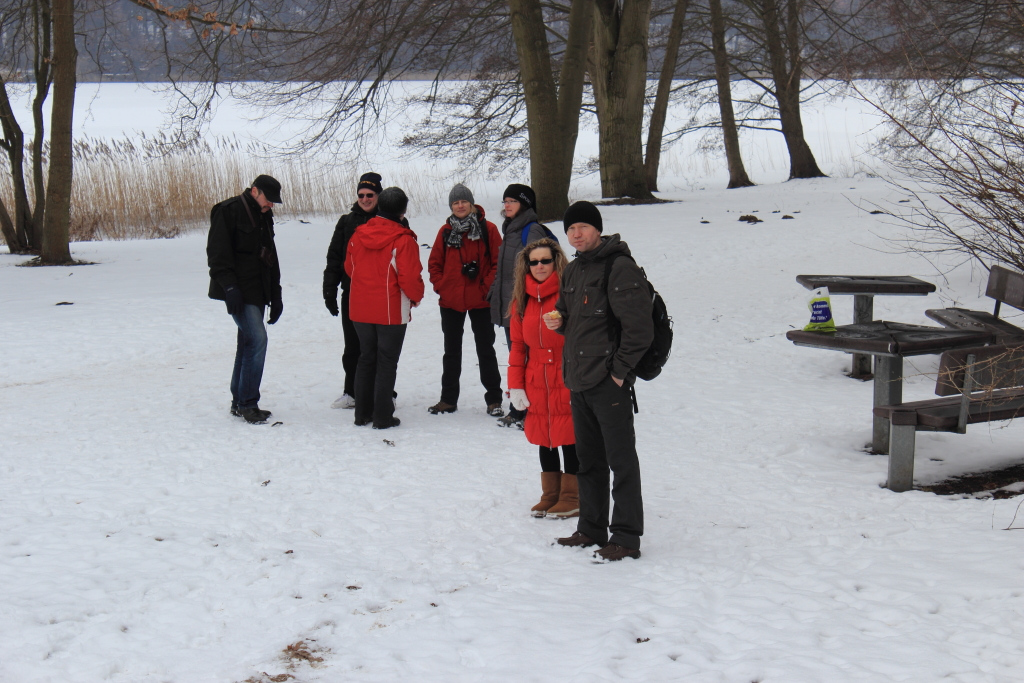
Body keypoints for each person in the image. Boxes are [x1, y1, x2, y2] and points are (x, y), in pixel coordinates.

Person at [547, 201, 654, 561]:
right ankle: (591, 528)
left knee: (621, 462)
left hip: (608, 383)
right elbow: (570, 315)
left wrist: (619, 373)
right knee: (588, 461)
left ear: (597, 229)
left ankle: (625, 537)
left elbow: (639, 330)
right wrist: (559, 321)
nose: (576, 234)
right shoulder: (574, 269)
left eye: (583, 227)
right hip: (579, 380)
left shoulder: (619, 267)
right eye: (570, 229)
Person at [507, 238, 579, 518]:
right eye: (534, 262)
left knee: (569, 434)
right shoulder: (521, 300)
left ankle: (572, 496)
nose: (539, 266)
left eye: (545, 261)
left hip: (565, 372)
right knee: (543, 435)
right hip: (536, 376)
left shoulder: (569, 293)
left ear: (556, 261)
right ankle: (550, 494)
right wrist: (515, 384)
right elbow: (517, 346)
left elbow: (584, 332)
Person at [207, 175, 284, 425]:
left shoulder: (264, 215)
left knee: (247, 343)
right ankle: (248, 403)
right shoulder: (227, 211)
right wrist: (230, 288)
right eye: (268, 199)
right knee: (257, 340)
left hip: (258, 290)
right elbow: (217, 256)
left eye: (274, 202)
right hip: (238, 290)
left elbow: (271, 256)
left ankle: (239, 401)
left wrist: (276, 295)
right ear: (254, 191)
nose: (271, 204)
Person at [345, 186, 424, 429]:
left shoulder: (358, 235)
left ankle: (362, 413)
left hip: (360, 307)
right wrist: (416, 297)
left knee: (366, 358)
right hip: (390, 308)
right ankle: (382, 416)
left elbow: (349, 268)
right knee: (386, 361)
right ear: (403, 211)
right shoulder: (403, 239)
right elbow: (409, 277)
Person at [427, 184, 505, 416]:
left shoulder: (488, 229)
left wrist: (485, 288)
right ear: (451, 206)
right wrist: (442, 287)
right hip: (451, 301)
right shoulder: (445, 231)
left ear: (471, 203)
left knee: (486, 350)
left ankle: (494, 400)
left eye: (463, 202)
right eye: (455, 202)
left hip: (481, 300)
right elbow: (434, 264)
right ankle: (448, 400)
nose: (460, 206)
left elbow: (498, 263)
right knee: (451, 352)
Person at [489, 183, 549, 428]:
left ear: (524, 204)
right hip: (511, 306)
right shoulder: (511, 229)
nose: (507, 205)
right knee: (518, 357)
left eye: (512, 201)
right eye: (505, 201)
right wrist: (494, 294)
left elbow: (539, 271)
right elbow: (504, 272)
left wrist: (528, 302)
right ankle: (520, 408)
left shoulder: (531, 230)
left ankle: (524, 411)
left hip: (525, 307)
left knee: (526, 358)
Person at [323, 172, 382, 409]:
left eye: (370, 195)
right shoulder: (346, 222)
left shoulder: (391, 219)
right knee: (352, 346)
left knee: (379, 347)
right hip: (353, 292)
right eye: (361, 195)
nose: (365, 199)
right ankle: (351, 391)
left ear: (378, 195)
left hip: (380, 294)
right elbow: (334, 257)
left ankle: (383, 392)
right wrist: (329, 289)